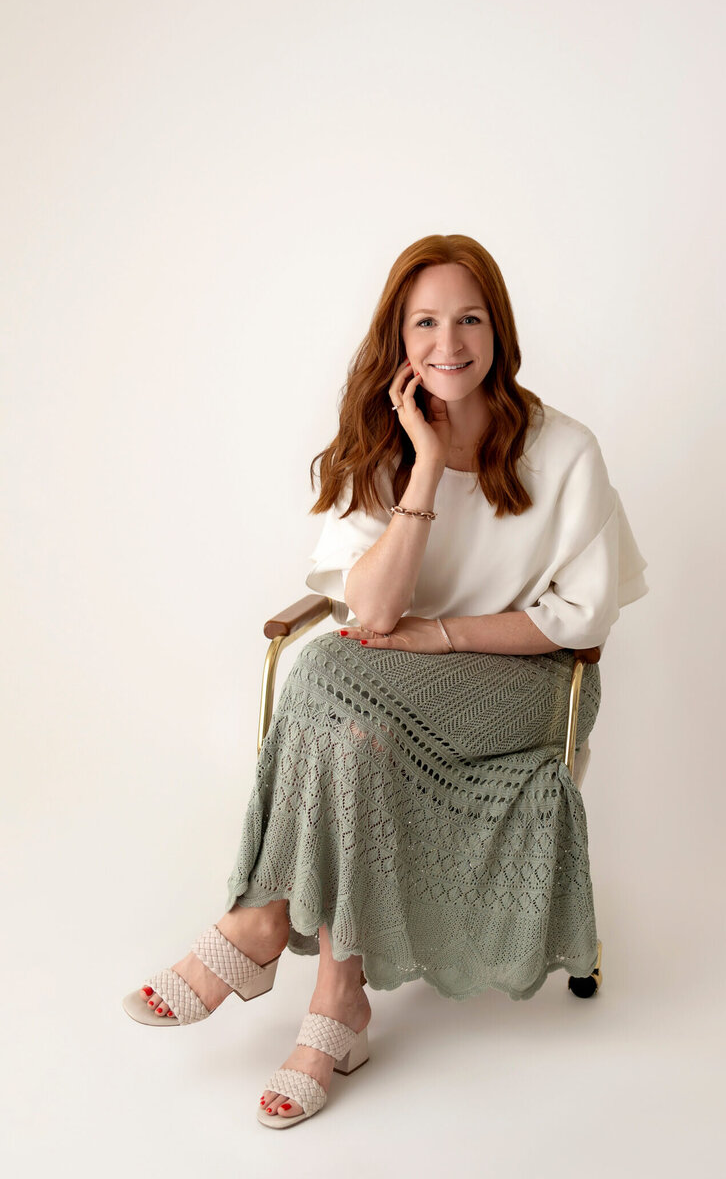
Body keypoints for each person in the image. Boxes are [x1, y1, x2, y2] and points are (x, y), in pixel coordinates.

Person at [122, 234, 648, 1130]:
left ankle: (260, 928)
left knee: (332, 676)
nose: (451, 343)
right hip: (390, 687)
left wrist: (442, 637)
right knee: (339, 687)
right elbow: (368, 616)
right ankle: (338, 1001)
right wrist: (427, 466)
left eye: (470, 319)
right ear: (399, 341)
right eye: (427, 323)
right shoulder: (384, 444)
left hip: (530, 683)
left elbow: (580, 621)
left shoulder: (565, 450)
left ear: (499, 330)